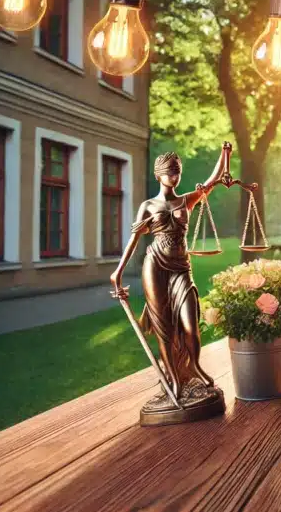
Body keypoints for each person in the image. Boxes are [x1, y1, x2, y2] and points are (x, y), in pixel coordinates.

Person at [110, 143, 232, 399]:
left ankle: (194, 367)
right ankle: (175, 380)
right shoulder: (148, 206)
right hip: (155, 266)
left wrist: (224, 155)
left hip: (181, 267)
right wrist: (117, 273)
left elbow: (212, 182)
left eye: (177, 171)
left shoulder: (186, 200)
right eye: (169, 172)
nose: (174, 176)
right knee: (163, 327)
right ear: (158, 175)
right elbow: (134, 240)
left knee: (191, 325)